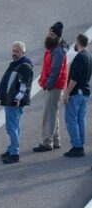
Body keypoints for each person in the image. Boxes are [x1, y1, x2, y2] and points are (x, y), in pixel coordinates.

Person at [34, 21, 69, 152]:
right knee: (53, 113)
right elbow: (48, 67)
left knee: (48, 114)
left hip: (54, 86)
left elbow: (55, 71)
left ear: (58, 36)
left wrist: (48, 85)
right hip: (52, 85)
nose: (49, 36)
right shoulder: (53, 47)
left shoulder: (58, 50)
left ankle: (47, 142)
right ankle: (55, 140)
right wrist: (42, 79)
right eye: (49, 33)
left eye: (52, 34)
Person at [0, 41, 34, 164]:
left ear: (23, 52)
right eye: (13, 51)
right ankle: (12, 149)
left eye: (17, 51)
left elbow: (24, 85)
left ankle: (15, 154)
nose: (14, 53)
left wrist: (17, 99)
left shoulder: (24, 66)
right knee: (15, 127)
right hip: (10, 100)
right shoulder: (17, 63)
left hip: (14, 101)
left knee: (12, 127)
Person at [63, 33, 92, 157]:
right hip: (85, 92)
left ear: (78, 42)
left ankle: (77, 146)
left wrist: (66, 93)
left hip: (76, 93)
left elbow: (74, 78)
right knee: (81, 119)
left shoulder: (80, 57)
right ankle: (80, 144)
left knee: (71, 119)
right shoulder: (89, 56)